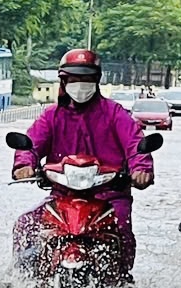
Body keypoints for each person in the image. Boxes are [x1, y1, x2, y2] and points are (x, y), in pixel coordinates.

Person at [10, 48, 154, 274]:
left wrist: (141, 169)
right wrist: (24, 165)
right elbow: (32, 143)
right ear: (64, 81)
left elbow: (135, 144)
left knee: (122, 229)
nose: (80, 85)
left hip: (108, 195)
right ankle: (21, 280)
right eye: (74, 79)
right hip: (62, 196)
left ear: (96, 80)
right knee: (25, 224)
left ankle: (121, 280)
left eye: (86, 79)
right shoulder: (52, 116)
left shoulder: (115, 113)